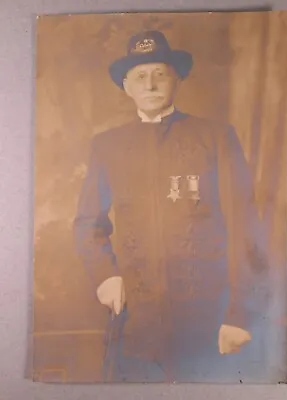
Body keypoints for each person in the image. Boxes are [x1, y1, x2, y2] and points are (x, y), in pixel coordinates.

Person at [73, 30, 268, 382]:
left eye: (160, 74)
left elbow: (246, 228)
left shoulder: (215, 137)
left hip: (208, 321)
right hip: (137, 320)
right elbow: (88, 224)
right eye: (140, 77)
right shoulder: (108, 146)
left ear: (177, 78)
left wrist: (240, 313)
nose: (150, 85)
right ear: (126, 86)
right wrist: (105, 275)